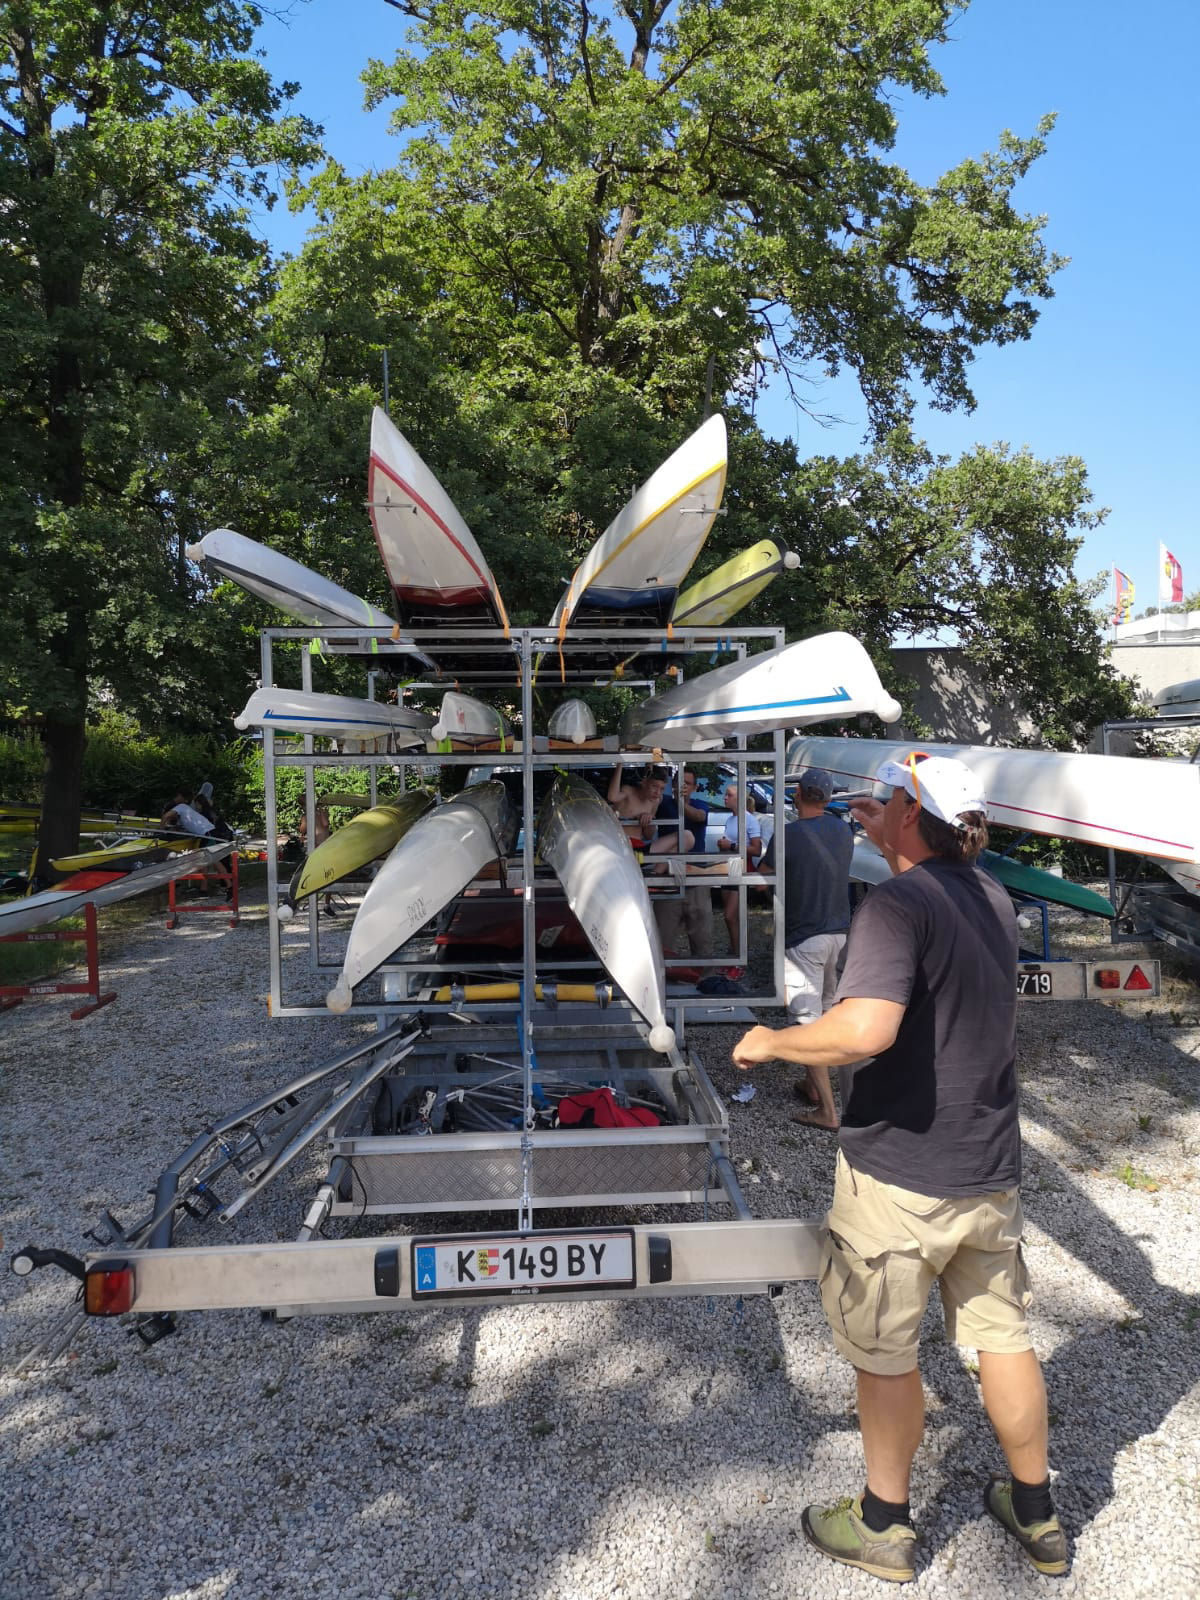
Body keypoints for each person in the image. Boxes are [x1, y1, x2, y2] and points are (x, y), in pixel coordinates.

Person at [731, 752, 1066, 1583]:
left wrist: (774, 1041)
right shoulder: (992, 896)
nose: (865, 812)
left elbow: (865, 1030)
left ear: (912, 813)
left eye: (878, 801)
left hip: (901, 1176)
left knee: (885, 1352)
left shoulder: (897, 902)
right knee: (1004, 1337)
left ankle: (883, 1525)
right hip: (989, 1166)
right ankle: (1038, 1513)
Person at [757, 767, 854, 1131]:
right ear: (828, 799)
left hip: (805, 939)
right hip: (839, 935)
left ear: (797, 794)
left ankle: (828, 1111)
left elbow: (762, 880)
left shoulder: (788, 835)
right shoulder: (843, 830)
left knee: (809, 1022)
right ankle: (814, 1087)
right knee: (826, 1016)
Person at [653, 767, 714, 961]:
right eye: (679, 783)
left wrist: (680, 802)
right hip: (668, 880)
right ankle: (662, 984)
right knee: (662, 938)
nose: (683, 787)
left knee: (702, 938)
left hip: (696, 880)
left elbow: (698, 817)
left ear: (695, 787)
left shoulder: (700, 805)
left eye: (687, 784)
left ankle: (706, 978)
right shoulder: (663, 804)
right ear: (673, 785)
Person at [607, 762, 692, 859]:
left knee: (687, 836)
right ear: (644, 782)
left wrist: (648, 820)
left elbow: (648, 836)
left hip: (639, 852)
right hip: (620, 847)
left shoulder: (655, 801)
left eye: (662, 789)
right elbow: (612, 797)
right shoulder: (628, 791)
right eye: (654, 786)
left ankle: (657, 872)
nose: (657, 793)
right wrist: (619, 764)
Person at [718, 781, 762, 964]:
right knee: (730, 918)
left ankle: (739, 958)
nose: (725, 798)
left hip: (741, 869)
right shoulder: (730, 819)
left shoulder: (749, 819)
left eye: (729, 795)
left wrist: (732, 845)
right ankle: (734, 952)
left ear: (740, 799)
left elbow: (757, 849)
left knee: (730, 915)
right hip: (727, 868)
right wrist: (723, 846)